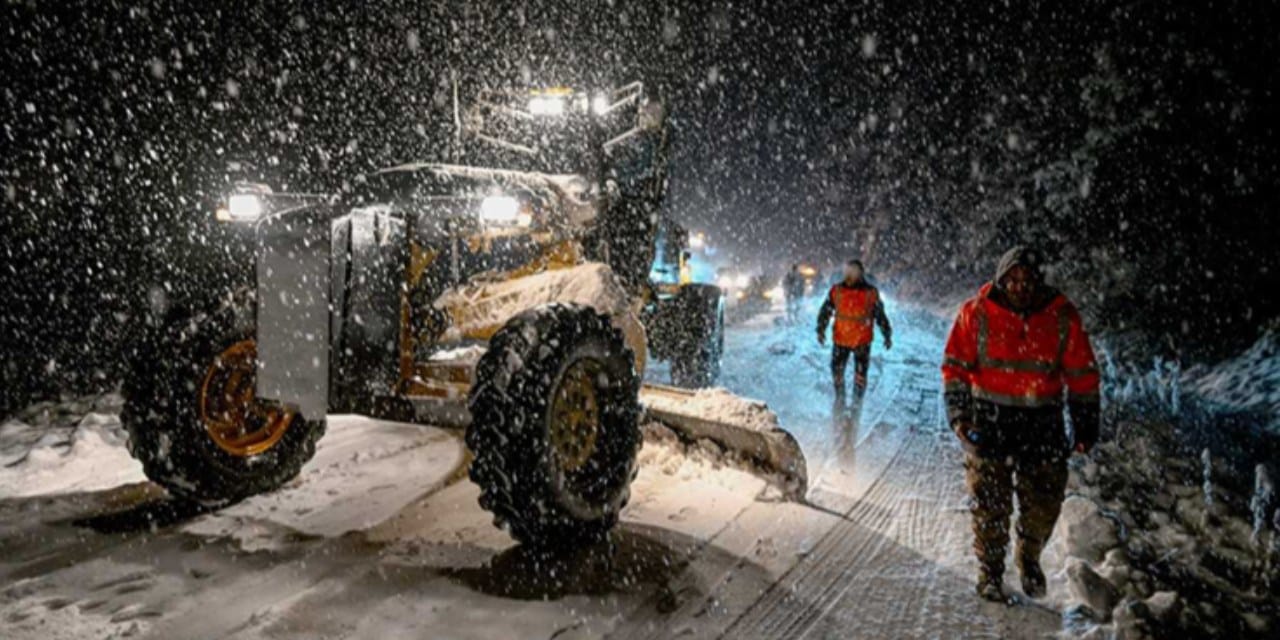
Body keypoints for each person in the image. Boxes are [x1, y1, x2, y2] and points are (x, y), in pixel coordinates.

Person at [940, 246, 1100, 602]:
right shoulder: (976, 314)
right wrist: (959, 415)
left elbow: (1083, 375)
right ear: (1000, 279)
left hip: (1043, 423)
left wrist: (1086, 424)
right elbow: (954, 367)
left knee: (1043, 504)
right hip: (989, 420)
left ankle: (1028, 557)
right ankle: (991, 573)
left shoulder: (1061, 317)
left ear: (1038, 281)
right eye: (1012, 279)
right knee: (988, 503)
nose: (1020, 286)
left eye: (1027, 279)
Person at [817, 260, 892, 419]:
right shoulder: (837, 291)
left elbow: (880, 316)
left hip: (859, 342)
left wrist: (887, 334)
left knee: (858, 374)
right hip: (845, 340)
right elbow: (825, 311)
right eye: (848, 273)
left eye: (853, 273)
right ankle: (842, 397)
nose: (850, 276)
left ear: (860, 274)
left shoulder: (868, 294)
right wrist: (820, 329)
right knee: (839, 371)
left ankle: (855, 401)